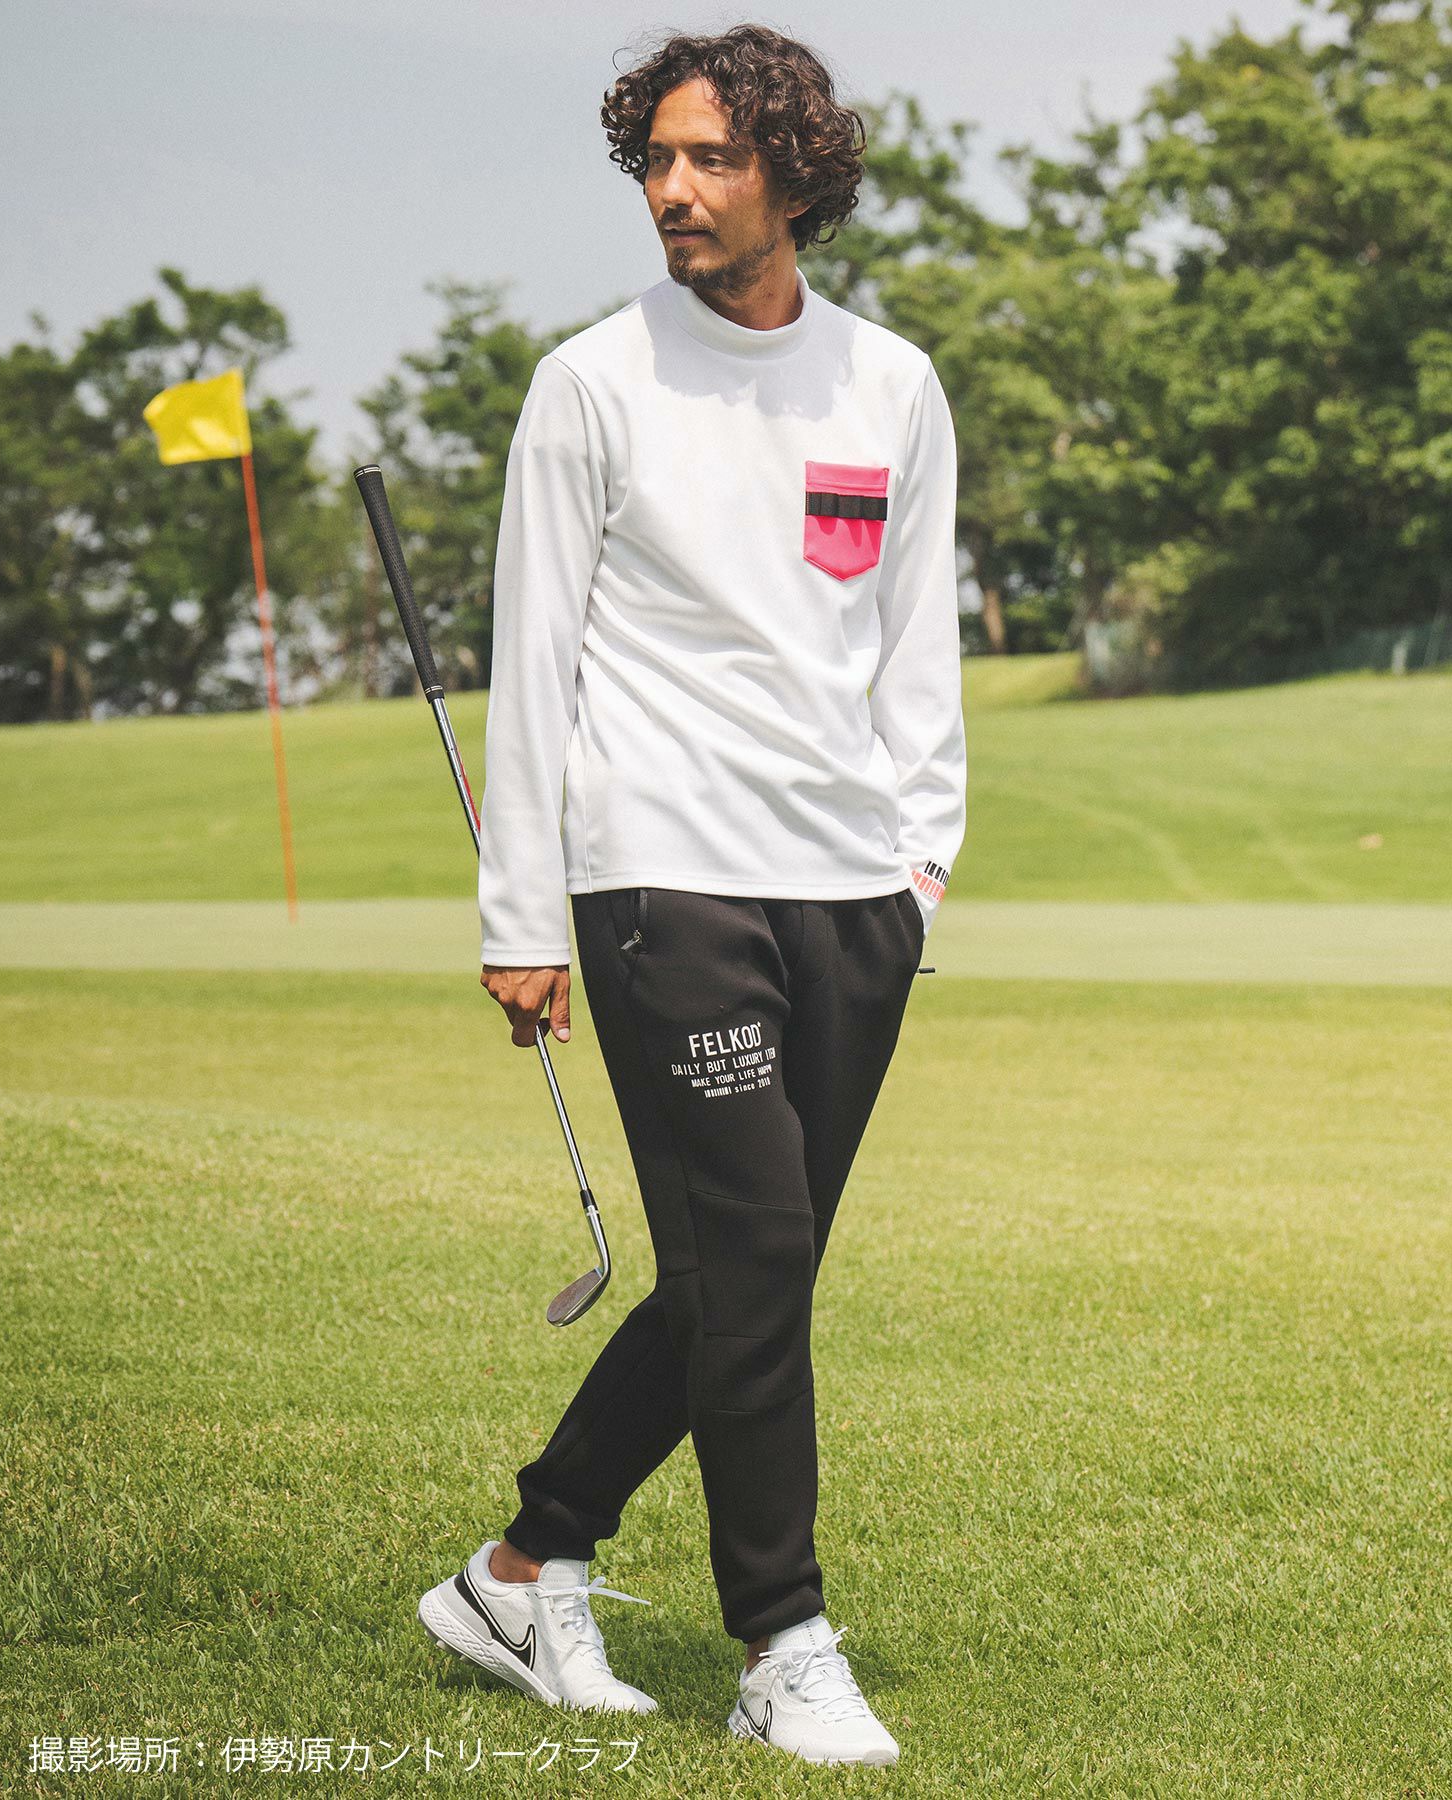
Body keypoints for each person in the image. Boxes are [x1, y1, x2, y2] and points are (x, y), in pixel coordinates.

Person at [416, 22, 967, 1769]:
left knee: (748, 1271)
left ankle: (523, 1568)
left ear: (795, 174)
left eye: (711, 156)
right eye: (655, 158)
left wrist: (923, 869)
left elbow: (915, 649)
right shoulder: (590, 384)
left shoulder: (892, 384)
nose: (673, 187)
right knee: (757, 1252)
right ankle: (783, 1641)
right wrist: (522, 915)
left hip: (853, 889)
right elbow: (532, 665)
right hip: (663, 880)